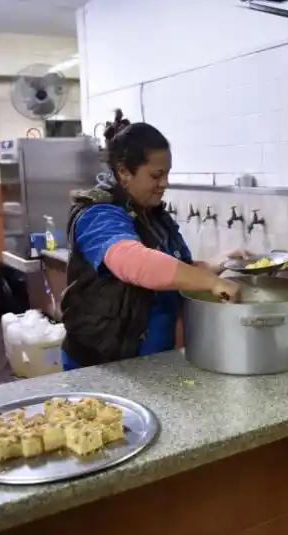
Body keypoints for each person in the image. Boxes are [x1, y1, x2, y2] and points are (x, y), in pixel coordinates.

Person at [61, 110, 241, 370]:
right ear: (124, 172)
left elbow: (174, 271)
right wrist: (211, 282)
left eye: (167, 174)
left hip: (150, 363)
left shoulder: (153, 215)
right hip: (103, 367)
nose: (164, 183)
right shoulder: (98, 214)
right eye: (156, 176)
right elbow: (131, 261)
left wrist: (223, 262)